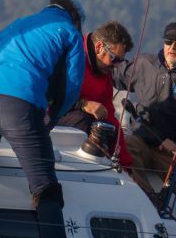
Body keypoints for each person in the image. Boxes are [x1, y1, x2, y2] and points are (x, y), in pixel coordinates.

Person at [0, 0, 91, 238]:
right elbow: (72, 84)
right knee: (45, 184)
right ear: (75, 18)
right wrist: (53, 117)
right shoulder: (69, 32)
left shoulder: (18, 24)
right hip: (20, 108)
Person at [113, 21, 176, 222]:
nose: (172, 47)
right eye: (168, 41)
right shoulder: (144, 64)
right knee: (122, 148)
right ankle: (150, 201)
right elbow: (110, 72)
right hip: (140, 139)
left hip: (170, 151)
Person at [57, 20, 133, 168]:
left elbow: (110, 117)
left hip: (80, 127)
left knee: (107, 127)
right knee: (84, 120)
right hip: (49, 119)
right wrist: (83, 104)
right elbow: (49, 96)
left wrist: (126, 165)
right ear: (99, 47)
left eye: (120, 62)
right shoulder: (69, 57)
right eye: (114, 59)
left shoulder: (104, 73)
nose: (116, 66)